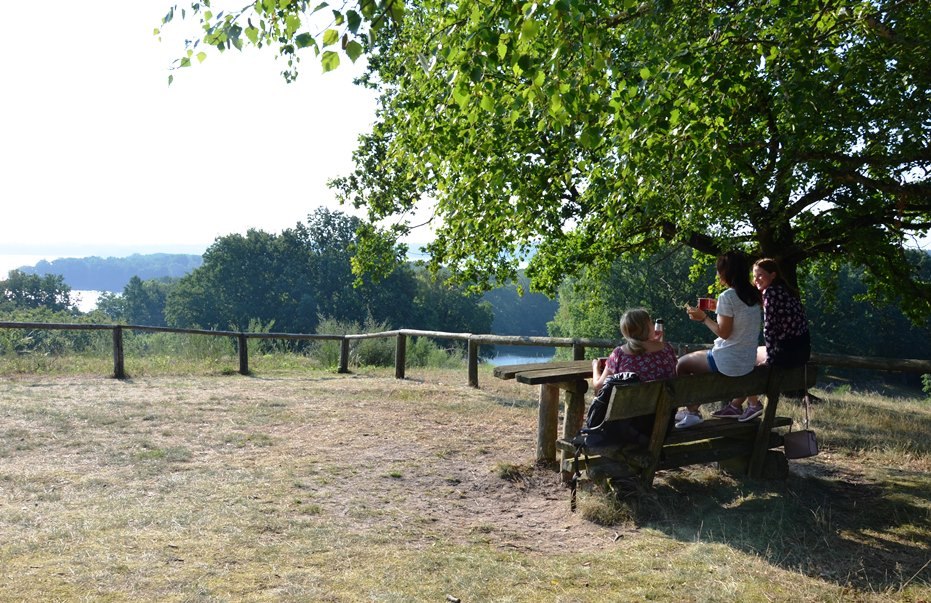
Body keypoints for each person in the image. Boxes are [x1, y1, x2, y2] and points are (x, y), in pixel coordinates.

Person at [712, 257, 812, 418]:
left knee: (746, 359)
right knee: (749, 354)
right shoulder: (784, 290)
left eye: (760, 275)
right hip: (801, 351)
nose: (756, 279)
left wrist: (770, 358)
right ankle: (738, 405)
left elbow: (770, 329)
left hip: (786, 353)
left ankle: (749, 404)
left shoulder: (770, 293)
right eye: (754, 275)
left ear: (773, 275)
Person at [675, 252, 762, 428]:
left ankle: (692, 412)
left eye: (719, 270)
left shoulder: (727, 296)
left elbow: (724, 333)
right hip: (747, 359)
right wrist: (719, 308)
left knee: (681, 365)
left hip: (728, 360)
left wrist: (703, 318)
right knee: (697, 364)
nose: (717, 274)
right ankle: (692, 408)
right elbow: (740, 318)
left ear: (727, 273)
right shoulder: (753, 295)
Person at [592, 308, 677, 391]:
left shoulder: (619, 354)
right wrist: (654, 341)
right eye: (651, 322)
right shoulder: (667, 349)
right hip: (665, 404)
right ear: (647, 327)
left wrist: (595, 366)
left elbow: (599, 385)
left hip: (632, 404)